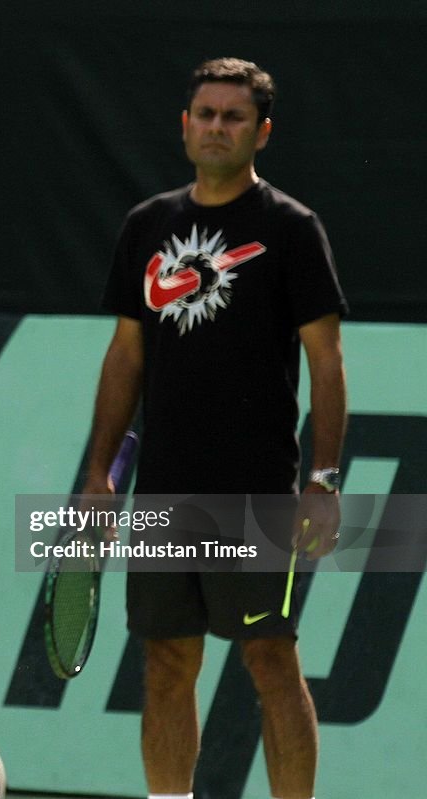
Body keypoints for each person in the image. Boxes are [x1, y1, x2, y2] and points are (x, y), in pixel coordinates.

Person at [81, 59, 347, 799]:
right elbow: (126, 354)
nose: (216, 127)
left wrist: (322, 481)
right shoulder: (148, 225)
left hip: (257, 489)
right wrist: (98, 475)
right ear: (184, 125)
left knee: (270, 657)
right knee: (166, 661)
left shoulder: (291, 229)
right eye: (205, 113)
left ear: (261, 132)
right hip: (166, 488)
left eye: (233, 116)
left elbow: (327, 363)